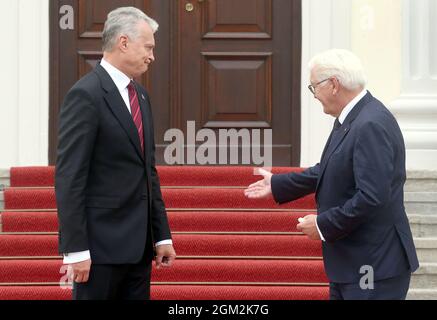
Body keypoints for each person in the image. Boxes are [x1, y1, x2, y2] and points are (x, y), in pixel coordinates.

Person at [244, 49, 419, 300]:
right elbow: (329, 169)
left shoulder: (369, 123)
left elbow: (372, 197)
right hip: (355, 265)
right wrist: (280, 183)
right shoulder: (354, 118)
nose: (314, 95)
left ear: (334, 84)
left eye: (314, 86)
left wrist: (322, 225)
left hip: (372, 265)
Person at [55, 7, 176, 300]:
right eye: (148, 47)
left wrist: (161, 235)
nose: (152, 56)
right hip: (99, 252)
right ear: (123, 42)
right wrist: (76, 249)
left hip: (138, 251)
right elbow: (70, 176)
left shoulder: (141, 96)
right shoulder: (86, 95)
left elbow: (148, 171)